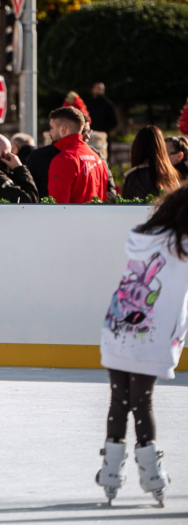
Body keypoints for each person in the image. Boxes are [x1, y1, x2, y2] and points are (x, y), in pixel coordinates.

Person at [95, 187, 188, 505]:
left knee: (119, 400)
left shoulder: (144, 238)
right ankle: (152, 474)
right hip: (150, 335)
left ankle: (110, 471)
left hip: (119, 326)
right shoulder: (184, 247)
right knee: (142, 402)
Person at [45, 106, 112, 204]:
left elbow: (58, 208)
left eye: (51, 128)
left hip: (73, 218)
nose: (50, 133)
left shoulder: (64, 159)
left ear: (63, 129)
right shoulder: (97, 157)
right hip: (96, 218)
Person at [122, 126, 181, 200]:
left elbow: (128, 208)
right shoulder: (171, 175)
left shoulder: (133, 176)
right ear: (161, 148)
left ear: (137, 148)